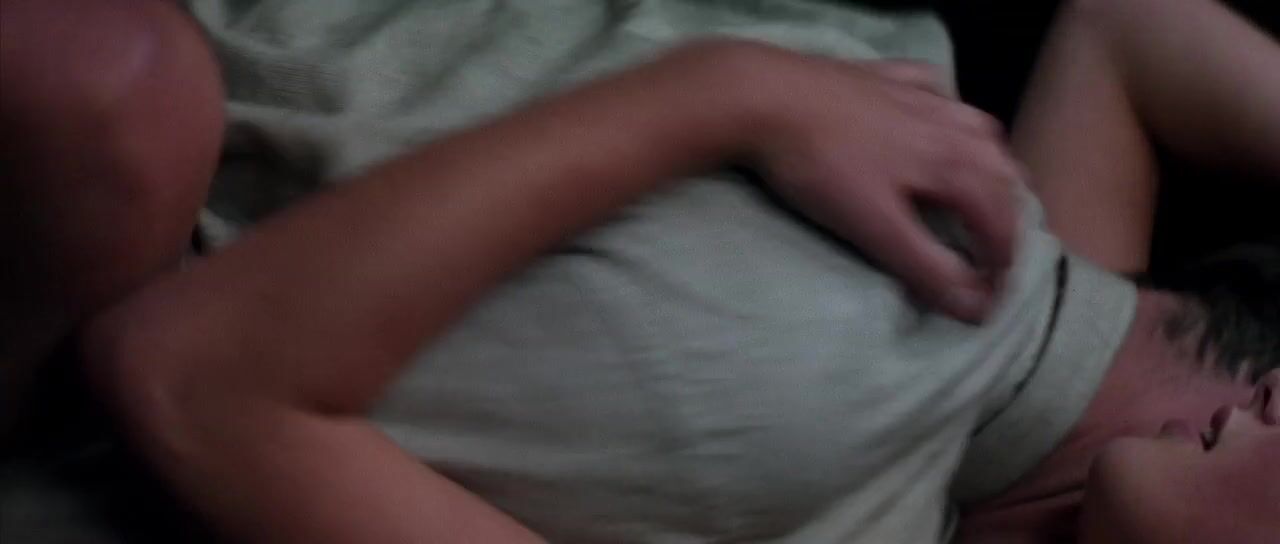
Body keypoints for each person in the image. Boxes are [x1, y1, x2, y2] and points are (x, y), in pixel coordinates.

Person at [3, 1, 1276, 544]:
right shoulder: (1029, 294)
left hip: (124, 193)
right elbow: (1122, 30)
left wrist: (734, 93)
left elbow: (189, 382)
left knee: (105, 93)